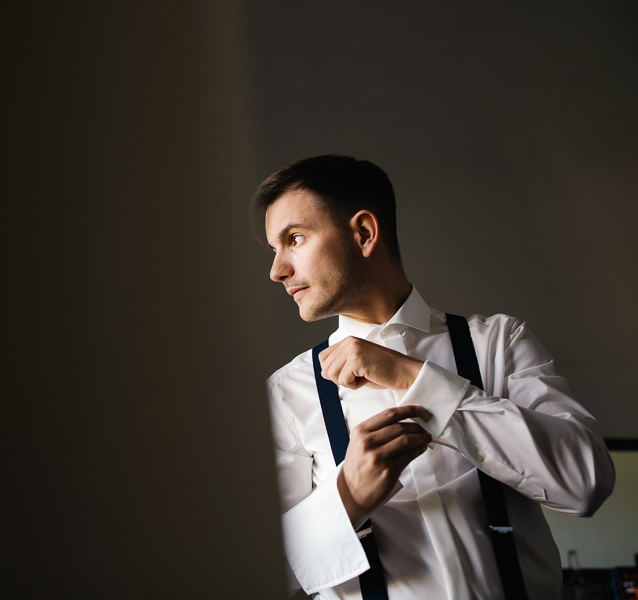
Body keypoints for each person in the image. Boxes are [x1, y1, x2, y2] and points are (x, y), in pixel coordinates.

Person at [255, 155, 615, 599]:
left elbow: (587, 483)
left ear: (364, 233)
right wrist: (348, 496)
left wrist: (416, 378)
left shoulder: (497, 343)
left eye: (295, 238)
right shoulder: (289, 392)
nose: (277, 270)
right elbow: (264, 571)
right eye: (275, 249)